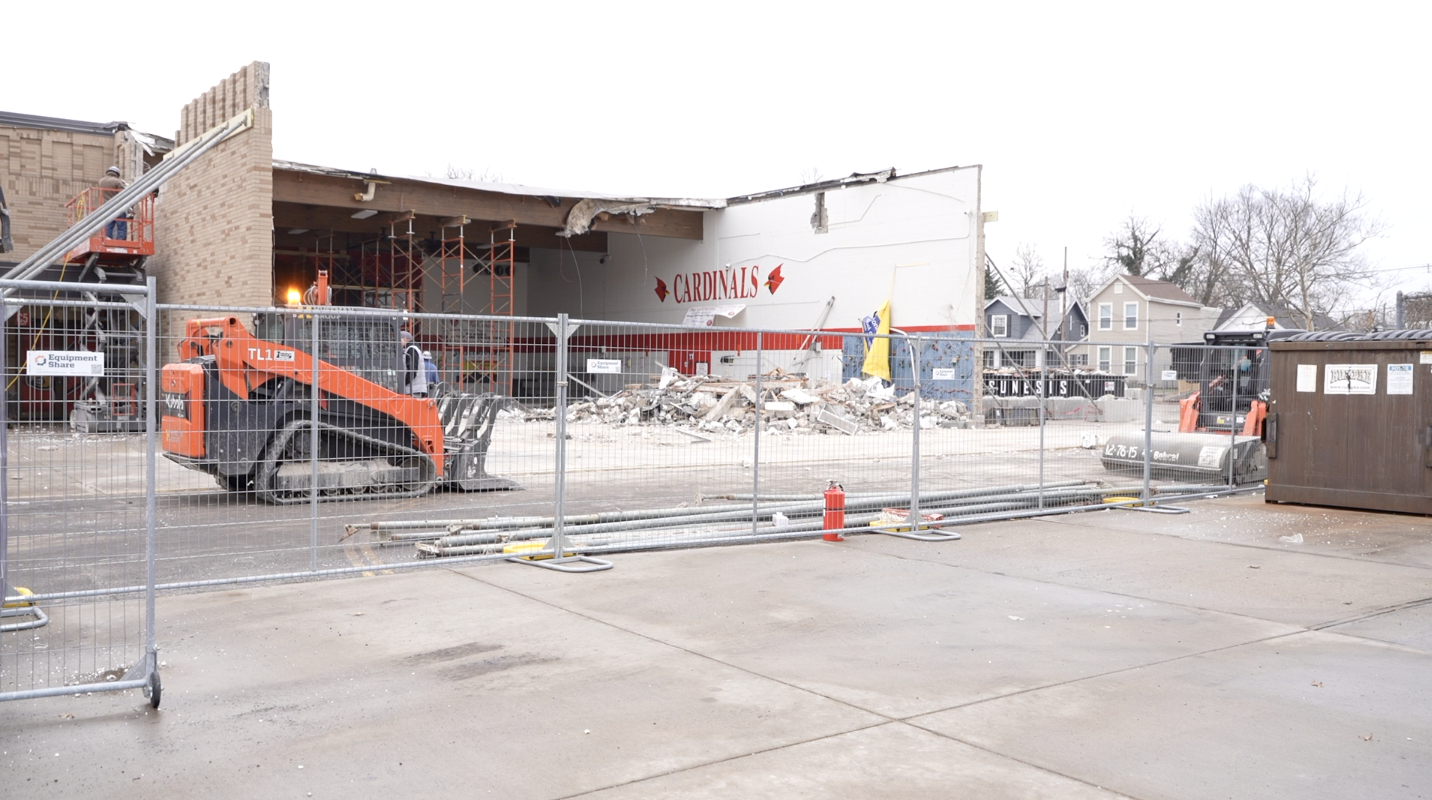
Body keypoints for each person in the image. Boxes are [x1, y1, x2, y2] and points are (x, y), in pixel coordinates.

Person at [98, 166, 129, 240]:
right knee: (121, 225)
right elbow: (122, 194)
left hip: (107, 207)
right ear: (117, 173)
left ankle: (108, 238)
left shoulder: (101, 181)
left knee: (108, 224)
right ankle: (121, 240)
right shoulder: (117, 181)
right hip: (118, 207)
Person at [400, 331, 427, 396]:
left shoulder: (411, 349)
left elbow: (412, 370)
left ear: (405, 339)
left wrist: (403, 383)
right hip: (415, 389)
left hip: (413, 390)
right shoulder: (411, 349)